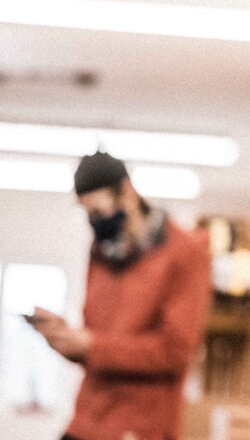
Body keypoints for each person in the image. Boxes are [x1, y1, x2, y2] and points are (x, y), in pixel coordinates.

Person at [30, 151, 211, 440]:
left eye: (99, 212)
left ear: (126, 192)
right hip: (89, 419)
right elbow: (98, 339)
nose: (94, 222)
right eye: (87, 213)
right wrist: (68, 340)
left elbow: (174, 352)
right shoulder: (101, 252)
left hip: (140, 426)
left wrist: (92, 345)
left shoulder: (185, 253)